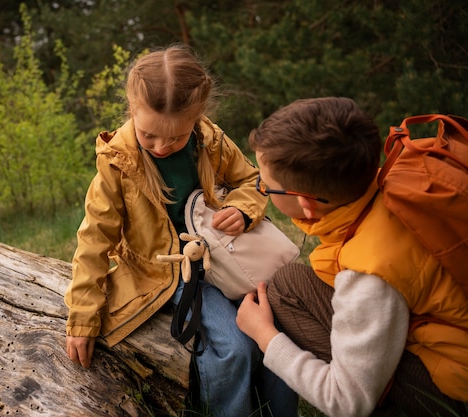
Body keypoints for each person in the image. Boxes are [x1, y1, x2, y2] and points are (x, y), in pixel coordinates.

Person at [64, 44, 298, 416]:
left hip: (228, 256)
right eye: (149, 135)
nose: (161, 146)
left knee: (279, 329)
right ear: (132, 109)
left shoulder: (208, 139)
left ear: (197, 117)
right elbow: (94, 240)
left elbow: (251, 180)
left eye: (174, 138)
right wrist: (82, 317)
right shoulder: (117, 163)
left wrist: (241, 208)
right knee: (233, 346)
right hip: (167, 272)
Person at [237, 96, 468, 417]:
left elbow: (347, 402)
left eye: (267, 187)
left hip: (455, 389)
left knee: (286, 294)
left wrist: (266, 337)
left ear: (306, 203)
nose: (261, 187)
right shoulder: (394, 179)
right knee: (288, 284)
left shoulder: (369, 273)